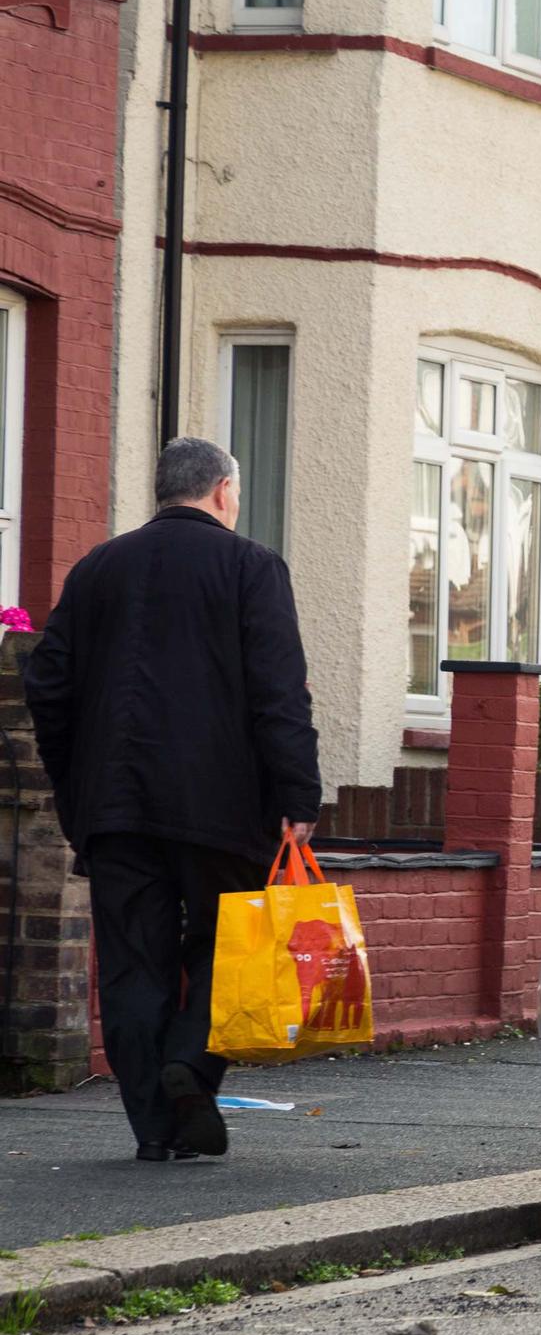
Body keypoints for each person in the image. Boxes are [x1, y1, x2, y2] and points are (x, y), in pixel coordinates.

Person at [23, 437, 320, 1161]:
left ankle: (154, 1128)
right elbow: (278, 693)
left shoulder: (95, 570)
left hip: (116, 808)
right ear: (223, 491)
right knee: (225, 947)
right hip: (221, 808)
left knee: (133, 963)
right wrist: (297, 792)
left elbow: (48, 684)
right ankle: (191, 1061)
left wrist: (76, 790)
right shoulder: (252, 567)